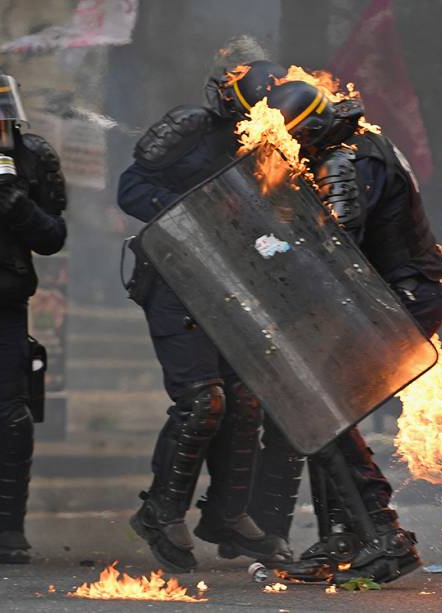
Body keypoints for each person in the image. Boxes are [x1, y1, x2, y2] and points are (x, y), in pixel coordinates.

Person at [245, 78, 442, 584]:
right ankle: (345, 533)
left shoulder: (344, 161)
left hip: (396, 302)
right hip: (386, 297)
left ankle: (382, 533)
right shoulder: (359, 144)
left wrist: (272, 246)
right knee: (322, 406)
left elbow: (335, 245)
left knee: (322, 409)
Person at [117, 47, 290, 572]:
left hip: (229, 284)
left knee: (243, 399)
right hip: (174, 279)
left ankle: (226, 514)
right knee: (201, 401)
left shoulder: (273, 148)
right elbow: (131, 188)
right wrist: (192, 212)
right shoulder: (192, 128)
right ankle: (162, 514)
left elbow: (269, 224)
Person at [0, 63, 67, 564]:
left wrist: (18, 207)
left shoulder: (32, 158)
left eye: (1, 116)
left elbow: (53, 237)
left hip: (3, 305)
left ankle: (6, 529)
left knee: (11, 417)